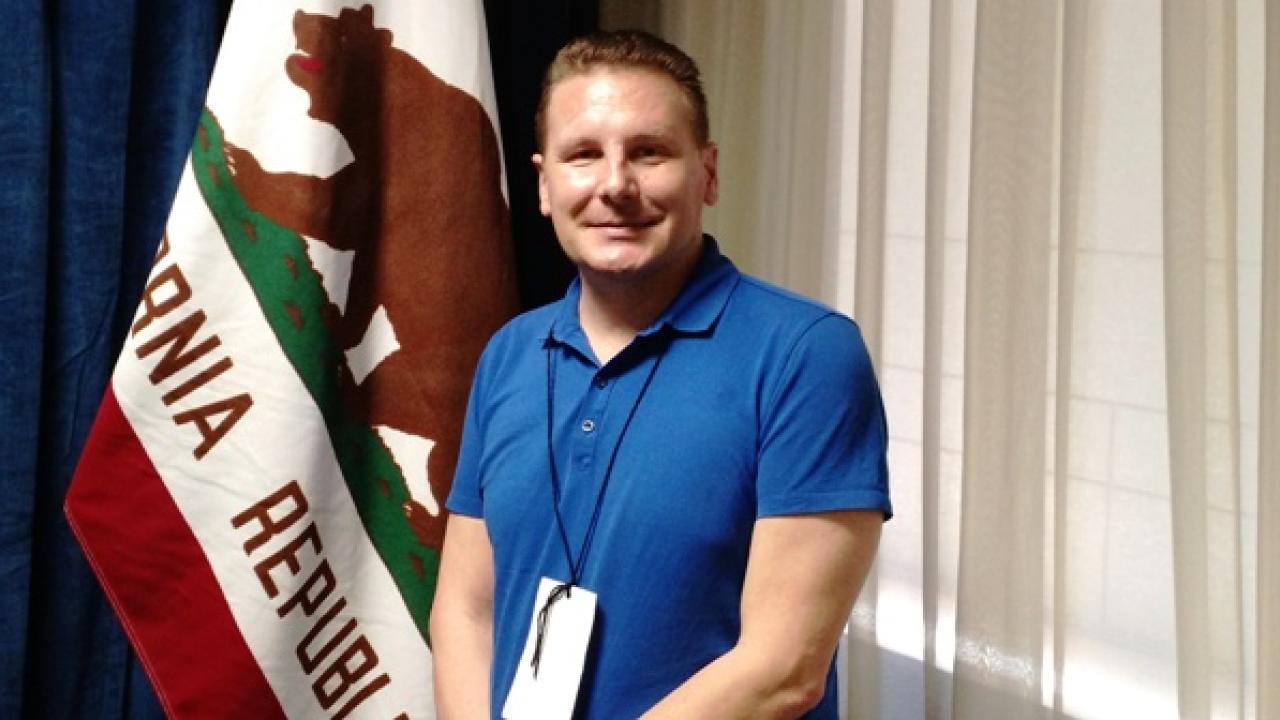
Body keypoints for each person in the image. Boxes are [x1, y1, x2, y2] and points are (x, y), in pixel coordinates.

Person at [430, 30, 891, 719]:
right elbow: (466, 610)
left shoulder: (807, 354)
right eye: (583, 155)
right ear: (544, 185)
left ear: (706, 173)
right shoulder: (509, 354)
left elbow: (784, 670)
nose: (615, 185)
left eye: (649, 152)